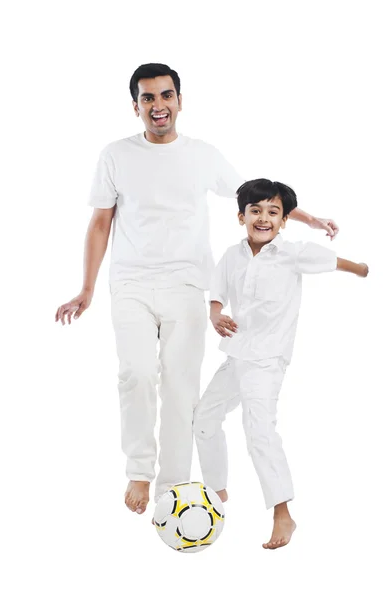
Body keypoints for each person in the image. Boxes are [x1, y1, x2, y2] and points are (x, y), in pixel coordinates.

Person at [55, 63, 339, 516]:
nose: (158, 105)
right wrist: (86, 288)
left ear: (179, 101)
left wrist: (310, 218)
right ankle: (139, 470)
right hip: (129, 281)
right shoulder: (115, 155)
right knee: (137, 374)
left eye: (166, 96)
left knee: (181, 386)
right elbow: (99, 223)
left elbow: (254, 196)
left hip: (188, 283)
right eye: (148, 98)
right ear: (136, 107)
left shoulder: (202, 154)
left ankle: (172, 483)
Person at [193, 178, 368, 549]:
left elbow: (338, 262)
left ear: (284, 220)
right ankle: (218, 492)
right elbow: (217, 294)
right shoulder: (232, 255)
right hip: (236, 354)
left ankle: (283, 514)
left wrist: (365, 269)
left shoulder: (294, 253)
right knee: (204, 417)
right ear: (241, 217)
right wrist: (215, 314)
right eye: (255, 211)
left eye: (273, 212)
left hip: (268, 359)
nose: (264, 218)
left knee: (259, 431)